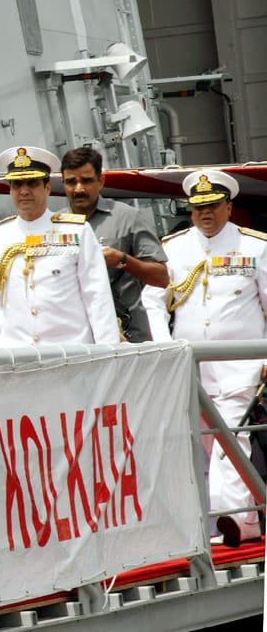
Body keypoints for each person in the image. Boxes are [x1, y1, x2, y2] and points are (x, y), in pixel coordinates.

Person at [143, 169, 267, 546]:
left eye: (212, 207)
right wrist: (166, 348)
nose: (205, 215)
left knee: (231, 440)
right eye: (198, 209)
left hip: (240, 366)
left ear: (228, 207)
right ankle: (222, 521)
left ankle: (235, 522)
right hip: (190, 365)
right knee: (202, 445)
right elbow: (152, 301)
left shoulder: (255, 247)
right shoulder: (175, 247)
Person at [0, 146, 118, 347]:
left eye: (32, 183)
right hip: (18, 354)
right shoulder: (0, 235)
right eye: (17, 185)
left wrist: (108, 350)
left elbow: (96, 294)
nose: (24, 191)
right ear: (10, 190)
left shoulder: (76, 231)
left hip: (71, 352)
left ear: (47, 188)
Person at [60, 147, 169, 342]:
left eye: (86, 181)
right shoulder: (56, 226)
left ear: (100, 181)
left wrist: (122, 259)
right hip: (77, 339)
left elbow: (161, 278)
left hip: (128, 336)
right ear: (62, 184)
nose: (78, 189)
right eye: (71, 182)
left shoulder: (127, 218)